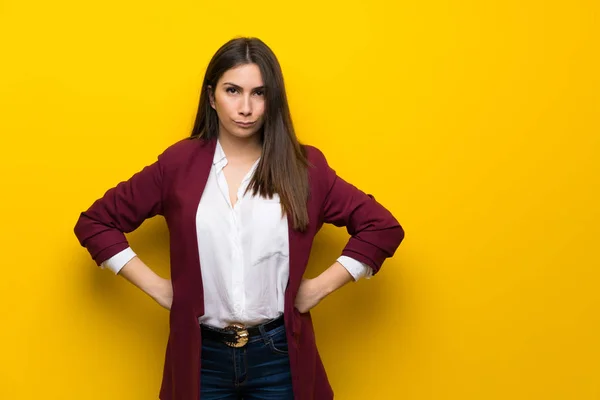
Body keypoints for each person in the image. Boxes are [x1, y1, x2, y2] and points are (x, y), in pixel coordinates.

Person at [74, 37, 405, 400]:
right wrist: (157, 287)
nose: (245, 107)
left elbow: (382, 227)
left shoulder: (304, 168)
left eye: (259, 93)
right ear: (211, 95)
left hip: (278, 355)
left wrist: (319, 287)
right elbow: (96, 223)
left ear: (272, 100)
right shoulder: (178, 165)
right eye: (233, 91)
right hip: (201, 357)